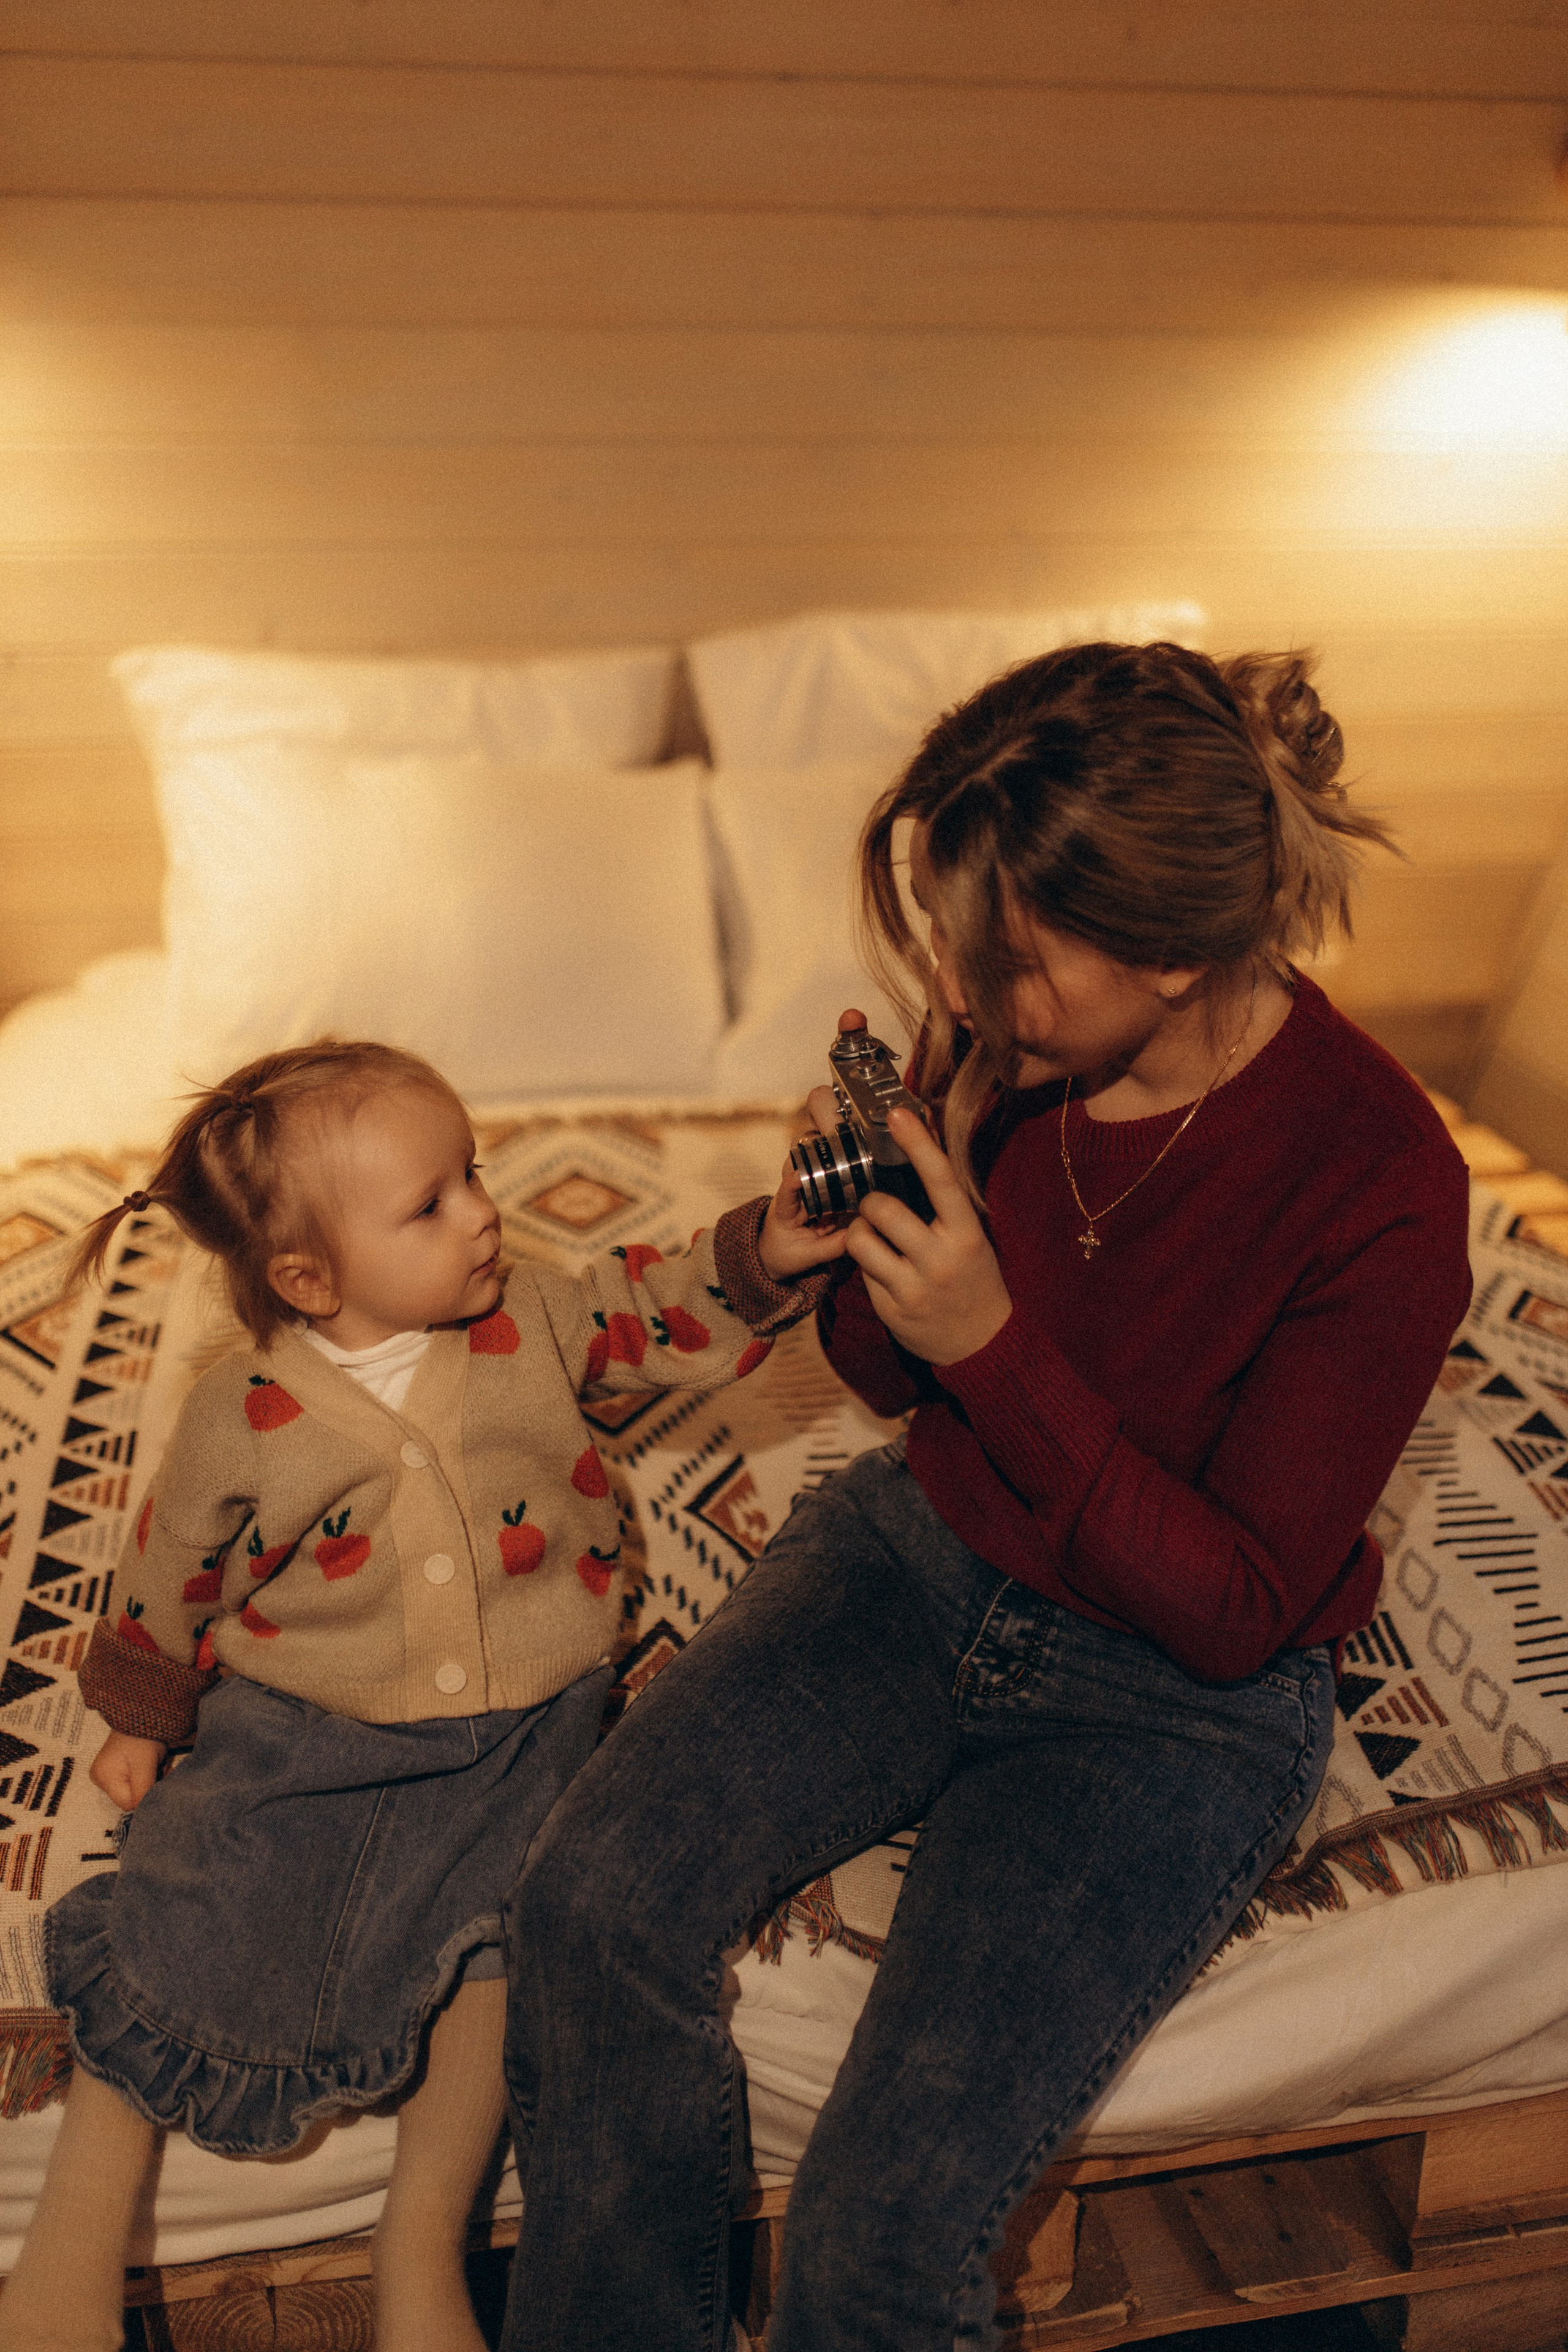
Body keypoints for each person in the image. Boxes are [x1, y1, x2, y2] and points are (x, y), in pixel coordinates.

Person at [496, 641, 1473, 2352]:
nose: (960, 982)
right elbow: (888, 1375)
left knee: (881, 2238)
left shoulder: (1380, 1175)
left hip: (1173, 1706)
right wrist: (870, 1211)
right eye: (951, 933)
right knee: (587, 1904)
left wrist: (998, 1340)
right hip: (921, 1554)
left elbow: (1237, 1604)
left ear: (1170, 957)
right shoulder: (1007, 1061)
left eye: (1006, 959)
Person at [0, 1039, 840, 2352]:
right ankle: (67, 2257)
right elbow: (173, 1561)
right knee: (185, 1892)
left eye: (474, 1176)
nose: (483, 1214)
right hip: (307, 1724)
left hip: (528, 1724)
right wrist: (137, 1715)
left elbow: (650, 1309)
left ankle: (419, 2254)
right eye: (431, 1205)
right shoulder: (242, 1412)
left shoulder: (538, 1319)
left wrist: (767, 1255)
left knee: (506, 1934)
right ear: (306, 1278)